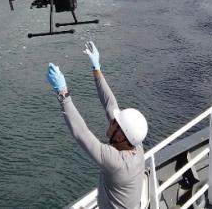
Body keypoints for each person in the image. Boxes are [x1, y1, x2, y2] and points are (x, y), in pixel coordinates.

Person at [47, 41, 148, 209]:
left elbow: (82, 134)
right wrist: (97, 69)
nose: (112, 119)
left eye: (115, 122)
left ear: (121, 137)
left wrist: (63, 93)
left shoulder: (117, 163)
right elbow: (111, 105)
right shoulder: (136, 145)